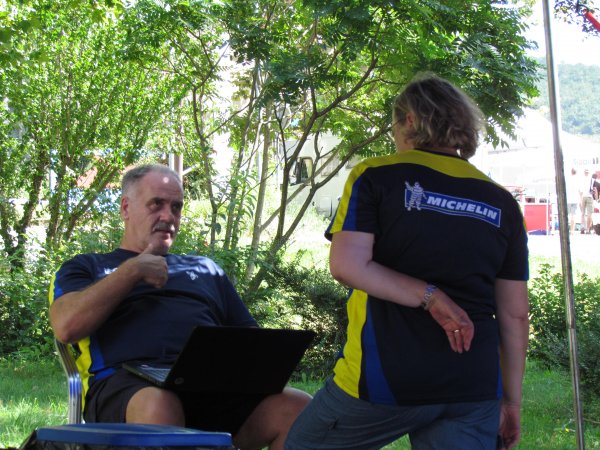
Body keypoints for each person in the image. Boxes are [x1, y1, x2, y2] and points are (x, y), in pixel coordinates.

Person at [285, 74, 529, 450]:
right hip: (473, 386)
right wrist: (511, 401)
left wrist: (430, 295)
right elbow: (515, 314)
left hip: (385, 379)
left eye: (394, 126)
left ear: (410, 120)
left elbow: (347, 265)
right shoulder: (503, 202)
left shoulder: (375, 176)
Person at [49, 164, 311, 450]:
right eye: (156, 204)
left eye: (176, 207)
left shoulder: (205, 269)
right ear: (126, 208)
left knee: (296, 407)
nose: (168, 216)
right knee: (160, 403)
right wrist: (132, 270)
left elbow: (252, 341)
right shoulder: (88, 267)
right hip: (127, 388)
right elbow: (66, 326)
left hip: (208, 387)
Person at [579, 167, 594, 234]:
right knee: (589, 214)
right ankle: (588, 229)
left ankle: (582, 228)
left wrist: (580, 199)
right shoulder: (592, 180)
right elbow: (594, 190)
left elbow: (580, 191)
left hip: (583, 197)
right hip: (589, 197)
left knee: (583, 213)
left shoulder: (581, 180)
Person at [566, 167, 580, 233]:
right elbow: (580, 191)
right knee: (573, 215)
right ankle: (572, 230)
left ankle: (567, 229)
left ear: (571, 172)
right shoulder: (577, 179)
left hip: (568, 199)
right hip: (575, 199)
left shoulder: (568, 179)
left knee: (567, 215)